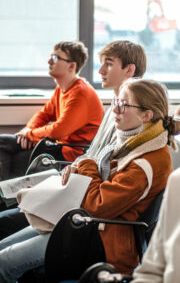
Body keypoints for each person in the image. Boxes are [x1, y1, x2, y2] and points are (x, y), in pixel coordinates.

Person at [0, 78, 177, 282]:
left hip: (103, 239)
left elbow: (98, 205)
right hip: (86, 223)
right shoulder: (132, 141)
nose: (115, 110)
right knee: (3, 250)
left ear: (147, 115)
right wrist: (80, 166)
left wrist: (85, 166)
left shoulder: (147, 161)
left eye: (123, 105)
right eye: (116, 102)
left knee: (4, 263)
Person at [0, 40, 147, 239]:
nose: (100, 71)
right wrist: (27, 131)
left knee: (8, 216)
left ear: (129, 69)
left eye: (109, 64)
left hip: (77, 181)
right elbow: (44, 115)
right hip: (76, 177)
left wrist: (57, 184)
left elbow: (97, 172)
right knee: (10, 152)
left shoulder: (126, 120)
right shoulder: (114, 108)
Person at [0, 41, 103, 181]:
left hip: (69, 154)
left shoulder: (81, 94)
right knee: (4, 142)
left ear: (71, 66)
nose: (49, 61)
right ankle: (5, 195)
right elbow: (43, 115)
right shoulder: (62, 89)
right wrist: (27, 130)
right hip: (55, 147)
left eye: (55, 58)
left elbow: (58, 131)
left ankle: (5, 196)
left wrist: (30, 134)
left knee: (10, 150)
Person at [132, 167, 180, 283]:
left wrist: (88, 166)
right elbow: (152, 271)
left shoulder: (143, 164)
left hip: (119, 240)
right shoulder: (177, 181)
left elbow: (100, 207)